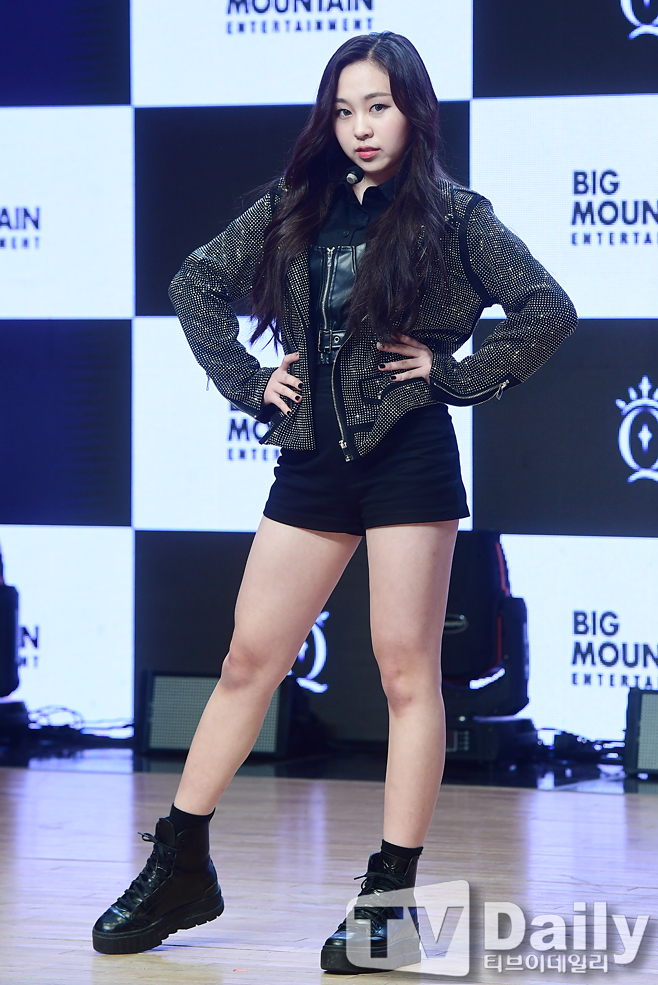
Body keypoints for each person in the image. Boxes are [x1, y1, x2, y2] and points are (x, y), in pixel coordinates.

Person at [92, 32, 577, 971]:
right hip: (312, 461)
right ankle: (180, 864)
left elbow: (546, 309)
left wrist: (455, 373)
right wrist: (249, 382)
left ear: (414, 112)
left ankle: (389, 907)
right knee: (248, 659)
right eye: (345, 110)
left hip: (407, 458)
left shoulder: (457, 217)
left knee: (406, 675)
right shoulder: (296, 205)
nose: (361, 127)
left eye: (379, 107)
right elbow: (195, 283)